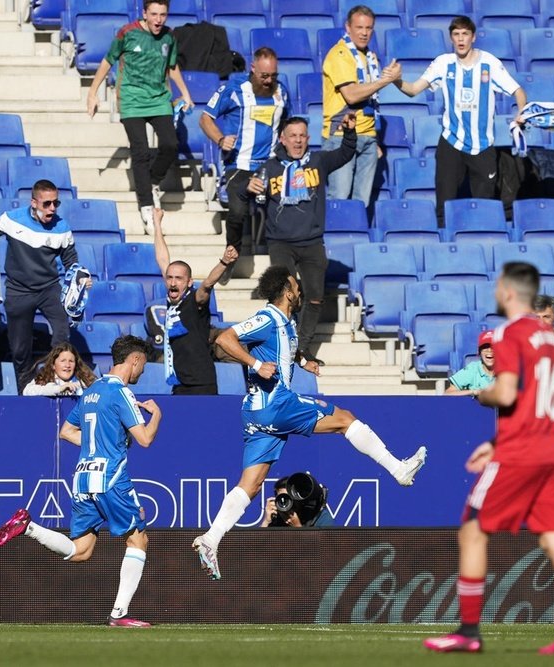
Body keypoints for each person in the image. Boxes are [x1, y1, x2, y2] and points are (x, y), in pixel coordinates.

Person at [192, 265, 427, 581]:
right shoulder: (268, 318)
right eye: (296, 286)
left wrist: (305, 362)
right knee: (345, 420)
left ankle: (211, 539)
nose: (300, 290)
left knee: (251, 484)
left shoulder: (286, 323)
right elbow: (225, 338)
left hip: (259, 414)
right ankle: (398, 470)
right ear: (287, 291)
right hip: (275, 404)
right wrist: (256, 363)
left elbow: (287, 348)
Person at [424, 262, 554, 655]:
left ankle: (468, 630)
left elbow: (509, 394)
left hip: (523, 451)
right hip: (552, 448)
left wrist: (484, 394)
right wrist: (497, 441)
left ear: (510, 291)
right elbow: (540, 399)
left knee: (473, 530)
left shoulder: (509, 333)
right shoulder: (552, 340)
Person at [0, 335, 162, 627]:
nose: (143, 371)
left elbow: (66, 431)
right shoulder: (120, 393)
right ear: (134, 360)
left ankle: (29, 527)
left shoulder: (91, 391)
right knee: (138, 539)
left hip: (83, 477)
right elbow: (145, 439)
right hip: (109, 478)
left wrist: (98, 441)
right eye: (143, 364)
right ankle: (119, 614)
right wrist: (157, 415)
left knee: (81, 551)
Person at [246, 114, 358, 365]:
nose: (297, 141)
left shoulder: (318, 161)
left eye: (301, 136)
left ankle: (302, 348)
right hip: (281, 242)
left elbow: (345, 154)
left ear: (308, 138)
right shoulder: (269, 168)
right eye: (292, 136)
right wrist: (250, 187)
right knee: (285, 294)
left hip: (312, 241)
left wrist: (350, 133)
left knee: (315, 296)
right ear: (282, 139)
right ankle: (281, 343)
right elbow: (253, 197)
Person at [394, 16, 526, 227]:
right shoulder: (443, 63)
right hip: (451, 141)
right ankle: (444, 245)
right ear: (451, 38)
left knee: (484, 208)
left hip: (482, 144)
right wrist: (396, 80)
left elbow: (518, 91)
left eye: (465, 34)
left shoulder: (489, 63)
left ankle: (481, 243)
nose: (461, 39)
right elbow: (412, 90)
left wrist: (521, 113)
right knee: (444, 207)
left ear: (473, 37)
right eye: (456, 34)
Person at [86, 0, 194, 236]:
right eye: (154, 14)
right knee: (141, 150)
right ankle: (146, 205)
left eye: (163, 15)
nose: (158, 20)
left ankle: (153, 180)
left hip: (159, 99)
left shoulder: (169, 36)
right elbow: (108, 60)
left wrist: (184, 92)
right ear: (144, 13)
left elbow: (171, 66)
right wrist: (93, 93)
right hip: (132, 99)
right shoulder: (128, 32)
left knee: (170, 144)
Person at [0, 179, 89, 394]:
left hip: (49, 288)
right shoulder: (11, 219)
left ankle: (56, 382)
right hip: (18, 290)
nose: (52, 208)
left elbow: (71, 259)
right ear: (34, 203)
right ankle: (25, 392)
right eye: (47, 204)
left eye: (56, 203)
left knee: (62, 331)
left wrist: (80, 278)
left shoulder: (62, 227)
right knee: (20, 350)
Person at [200, 47, 291, 269]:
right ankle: (230, 257)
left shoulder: (282, 92)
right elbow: (205, 119)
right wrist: (221, 140)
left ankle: (284, 264)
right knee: (238, 211)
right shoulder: (233, 89)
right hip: (238, 164)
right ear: (253, 68)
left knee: (291, 206)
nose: (269, 80)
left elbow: (287, 125)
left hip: (270, 165)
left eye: (273, 76)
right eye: (264, 76)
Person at [153, 207, 238, 394]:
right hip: (178, 382)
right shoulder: (171, 300)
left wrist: (224, 262)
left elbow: (207, 284)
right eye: (169, 278)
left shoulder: (194, 300)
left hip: (202, 383)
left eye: (179, 278)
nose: (173, 282)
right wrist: (157, 225)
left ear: (189, 282)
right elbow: (162, 259)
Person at [322, 5, 400, 207]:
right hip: (341, 136)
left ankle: (355, 238)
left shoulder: (370, 56)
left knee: (361, 203)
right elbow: (351, 95)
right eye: (359, 27)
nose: (364, 33)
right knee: (339, 197)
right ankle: (334, 238)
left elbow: (372, 102)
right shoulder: (340, 54)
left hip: (367, 137)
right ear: (348, 27)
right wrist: (383, 81)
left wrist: (374, 138)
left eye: (369, 28)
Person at [260, 472, 334, 528]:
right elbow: (256, 546)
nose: (287, 502)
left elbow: (324, 547)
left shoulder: (319, 517)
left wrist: (297, 527)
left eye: (289, 498)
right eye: (283, 498)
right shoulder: (276, 517)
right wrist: (266, 522)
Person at [22, 342, 98, 397]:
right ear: (53, 365)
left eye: (71, 361)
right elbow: (26, 391)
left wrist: (80, 386)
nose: (67, 365)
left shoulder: (84, 380)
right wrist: (58, 389)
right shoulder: (44, 379)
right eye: (63, 361)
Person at [445, 330, 496, 396]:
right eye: (485, 347)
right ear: (479, 352)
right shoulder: (472, 369)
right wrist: (474, 392)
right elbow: (447, 394)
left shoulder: (507, 369)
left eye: (494, 347)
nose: (489, 351)